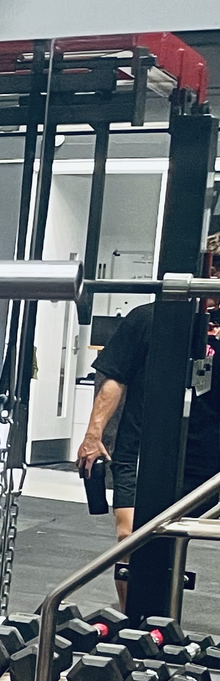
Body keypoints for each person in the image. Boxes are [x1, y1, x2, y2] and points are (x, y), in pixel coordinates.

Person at [75, 235, 220, 601]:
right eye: (213, 267)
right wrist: (94, 436)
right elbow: (113, 379)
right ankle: (132, 627)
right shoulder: (150, 318)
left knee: (178, 539)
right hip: (143, 448)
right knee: (131, 539)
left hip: (207, 456)